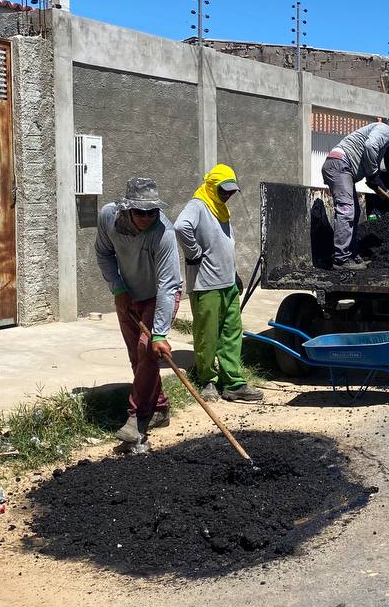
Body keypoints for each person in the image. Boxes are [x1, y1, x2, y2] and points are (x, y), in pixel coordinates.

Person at [95, 177, 183, 455]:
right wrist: (118, 289)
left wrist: (159, 333)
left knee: (148, 349)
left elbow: (169, 284)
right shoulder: (109, 217)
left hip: (159, 294)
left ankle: (136, 418)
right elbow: (103, 253)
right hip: (128, 294)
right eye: (140, 212)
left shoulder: (164, 233)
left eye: (152, 212)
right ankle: (160, 408)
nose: (146, 218)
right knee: (138, 356)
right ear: (127, 209)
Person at [174, 164, 264, 404]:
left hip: (227, 283)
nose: (227, 195)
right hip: (206, 285)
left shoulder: (220, 209)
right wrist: (193, 253)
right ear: (212, 185)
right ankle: (208, 381)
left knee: (232, 333)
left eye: (231, 191)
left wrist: (233, 274)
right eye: (223, 190)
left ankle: (233, 382)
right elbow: (181, 227)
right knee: (207, 335)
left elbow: (224, 244)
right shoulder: (198, 205)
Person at [321, 117, 389, 270]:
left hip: (344, 168)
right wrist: (374, 174)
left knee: (354, 213)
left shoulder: (381, 138)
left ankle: (350, 253)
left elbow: (372, 180)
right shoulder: (385, 129)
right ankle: (341, 260)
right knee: (347, 211)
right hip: (340, 165)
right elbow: (370, 147)